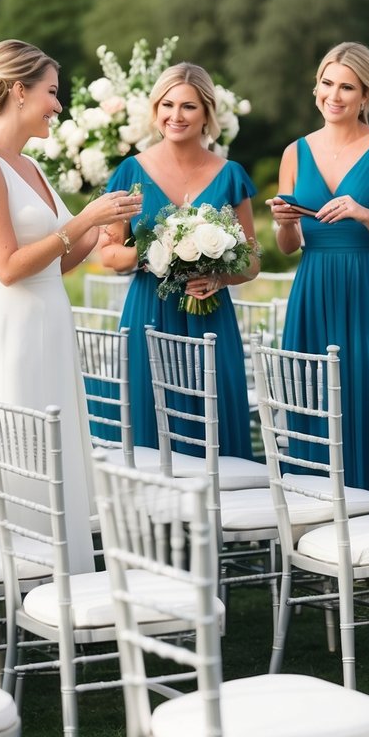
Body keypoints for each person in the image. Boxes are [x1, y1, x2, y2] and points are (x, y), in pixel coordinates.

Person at [0, 39, 140, 573]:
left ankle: (64, 583)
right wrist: (81, 221)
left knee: (53, 456)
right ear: (19, 91)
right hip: (8, 335)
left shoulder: (29, 165)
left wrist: (104, 219)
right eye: (52, 93)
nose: (59, 105)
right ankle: (14, 583)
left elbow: (55, 262)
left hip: (49, 329)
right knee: (18, 457)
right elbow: (9, 266)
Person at [267, 41, 369, 509]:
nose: (334, 95)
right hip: (314, 288)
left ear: (365, 94)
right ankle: (318, 514)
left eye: (347, 87)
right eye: (328, 83)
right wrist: (286, 224)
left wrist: (362, 213)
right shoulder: (295, 152)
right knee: (315, 399)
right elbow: (289, 246)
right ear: (316, 87)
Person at [98, 62, 259, 458]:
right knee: (150, 422)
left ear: (206, 113)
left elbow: (252, 261)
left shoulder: (231, 174)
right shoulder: (130, 171)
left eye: (188, 106)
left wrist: (221, 278)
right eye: (167, 105)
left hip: (210, 316)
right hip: (148, 313)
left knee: (214, 424)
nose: (176, 115)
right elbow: (109, 253)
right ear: (155, 111)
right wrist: (153, 251)